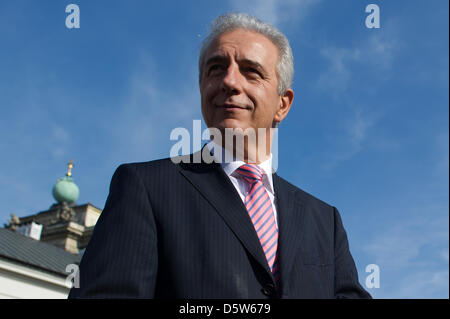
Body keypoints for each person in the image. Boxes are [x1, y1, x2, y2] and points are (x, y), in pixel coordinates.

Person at [69, 13, 371, 299]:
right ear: (202, 86)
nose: (230, 81)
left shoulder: (325, 221)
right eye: (216, 68)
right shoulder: (145, 188)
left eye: (251, 72)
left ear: (283, 104)